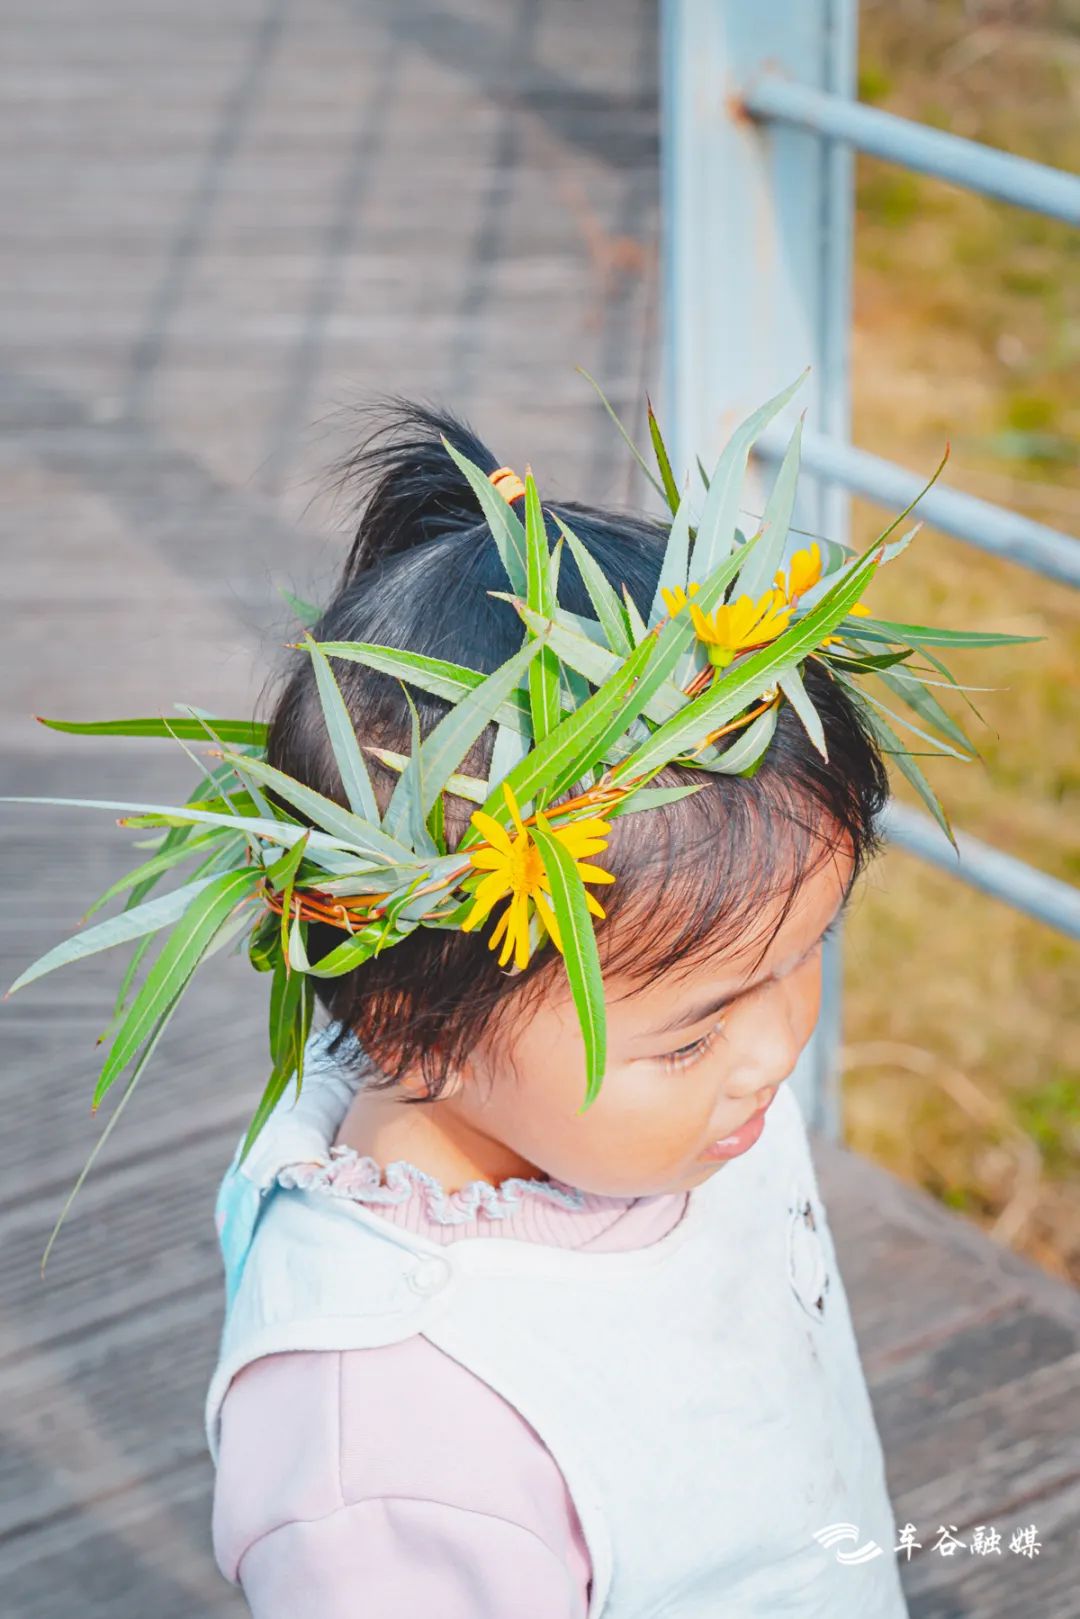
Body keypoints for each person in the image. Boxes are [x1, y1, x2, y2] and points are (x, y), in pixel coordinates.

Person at [202, 398, 913, 1617]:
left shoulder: (664, 1112)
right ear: (415, 1029)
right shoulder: (390, 1448)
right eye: (692, 1031)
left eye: (804, 957)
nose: (774, 1051)